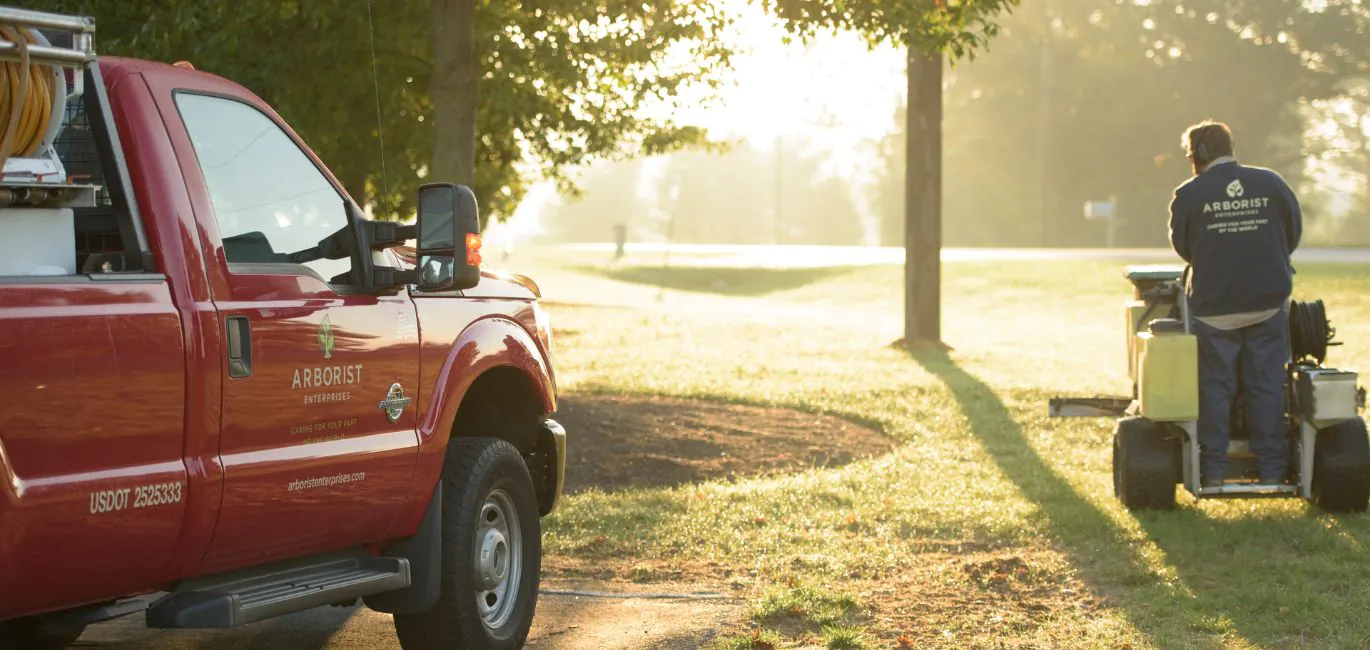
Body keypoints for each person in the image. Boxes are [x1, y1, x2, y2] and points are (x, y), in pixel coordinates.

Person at [1167, 119, 1302, 486]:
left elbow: (1183, 248)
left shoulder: (1189, 194)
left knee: (1215, 388)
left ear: (1200, 154)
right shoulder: (1272, 183)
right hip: (1267, 305)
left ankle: (1211, 473)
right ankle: (1273, 471)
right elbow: (1291, 234)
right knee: (1267, 386)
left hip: (1213, 311)